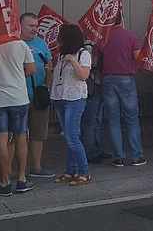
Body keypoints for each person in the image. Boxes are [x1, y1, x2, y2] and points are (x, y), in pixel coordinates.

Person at [0, 22, 36, 197]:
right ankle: (21, 180)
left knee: (0, 139)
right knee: (21, 137)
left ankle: (4, 181)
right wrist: (15, 73)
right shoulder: (19, 43)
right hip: (19, 97)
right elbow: (31, 69)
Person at [97, 16, 147, 167]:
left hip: (107, 79)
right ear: (122, 20)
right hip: (126, 79)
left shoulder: (103, 38)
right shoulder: (130, 36)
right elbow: (138, 58)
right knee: (131, 119)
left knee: (113, 119)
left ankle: (118, 157)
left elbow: (98, 59)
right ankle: (136, 156)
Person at [50, 24, 93, 186]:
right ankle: (70, 171)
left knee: (72, 136)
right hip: (60, 97)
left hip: (75, 98)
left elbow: (83, 75)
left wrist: (73, 61)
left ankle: (84, 172)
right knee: (68, 136)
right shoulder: (61, 56)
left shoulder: (83, 54)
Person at [19, 13, 55, 179]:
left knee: (38, 133)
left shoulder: (41, 44)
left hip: (38, 96)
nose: (34, 29)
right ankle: (18, 169)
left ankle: (36, 167)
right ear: (20, 25)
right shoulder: (14, 43)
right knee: (17, 134)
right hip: (18, 96)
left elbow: (49, 65)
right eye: (30, 26)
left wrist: (47, 86)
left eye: (36, 26)